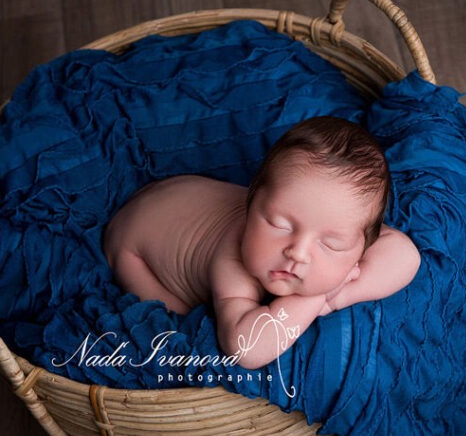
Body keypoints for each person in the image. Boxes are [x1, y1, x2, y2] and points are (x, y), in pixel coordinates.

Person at [103, 116, 421, 369]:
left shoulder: (332, 219)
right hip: (132, 244)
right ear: (252, 202)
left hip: (181, 195)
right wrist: (315, 297)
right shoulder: (232, 263)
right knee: (180, 318)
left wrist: (338, 298)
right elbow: (246, 349)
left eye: (332, 245)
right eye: (279, 224)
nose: (297, 252)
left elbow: (406, 256)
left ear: (362, 246)